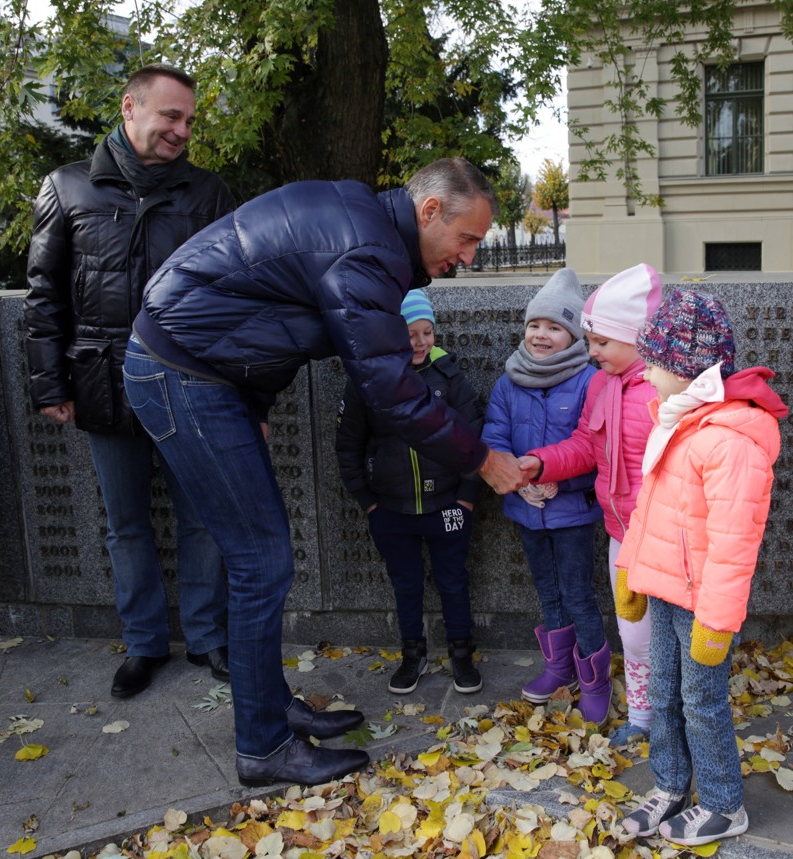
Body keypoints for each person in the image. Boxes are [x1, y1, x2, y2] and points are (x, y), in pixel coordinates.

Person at [122, 157, 525, 787]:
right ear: (429, 212)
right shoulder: (368, 251)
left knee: (265, 555)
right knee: (261, 560)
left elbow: (261, 312)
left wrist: (251, 405)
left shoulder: (361, 223)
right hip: (182, 376)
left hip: (200, 373)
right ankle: (262, 747)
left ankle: (270, 708)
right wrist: (481, 458)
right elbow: (392, 394)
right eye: (467, 238)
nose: (469, 256)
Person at [24, 63, 235, 700]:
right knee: (126, 524)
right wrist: (47, 384)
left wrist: (246, 392)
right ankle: (144, 644)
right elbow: (44, 294)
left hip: (190, 385)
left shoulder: (208, 194)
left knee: (201, 517)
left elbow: (236, 297)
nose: (181, 130)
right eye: (171, 116)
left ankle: (206, 638)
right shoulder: (66, 188)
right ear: (130, 108)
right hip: (101, 383)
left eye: (189, 121)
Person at [615, 288, 786, 847]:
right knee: (663, 693)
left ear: (688, 369)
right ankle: (671, 784)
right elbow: (652, 506)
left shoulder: (731, 440)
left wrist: (716, 621)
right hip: (665, 589)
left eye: (655, 363)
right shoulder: (679, 419)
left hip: (701, 603)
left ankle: (721, 802)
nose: (645, 374)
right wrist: (632, 573)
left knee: (701, 701)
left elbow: (736, 545)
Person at [517, 263, 662, 745]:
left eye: (600, 341)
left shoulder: (665, 388)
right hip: (621, 532)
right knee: (633, 632)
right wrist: (538, 462)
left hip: (664, 536)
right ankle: (641, 717)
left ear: (635, 337)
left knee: (671, 637)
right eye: (590, 339)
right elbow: (584, 444)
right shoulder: (602, 384)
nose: (591, 350)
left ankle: (671, 715)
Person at [335, 289, 484, 696]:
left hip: (448, 506)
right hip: (391, 510)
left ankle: (461, 652)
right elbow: (348, 445)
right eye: (408, 335)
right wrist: (369, 503)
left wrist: (467, 497)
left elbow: (474, 438)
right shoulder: (368, 381)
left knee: (453, 580)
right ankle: (412, 652)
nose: (419, 343)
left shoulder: (449, 377)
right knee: (406, 583)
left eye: (426, 333)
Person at [482, 268, 610, 723]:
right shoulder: (507, 382)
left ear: (574, 335)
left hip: (572, 511)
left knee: (578, 592)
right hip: (526, 508)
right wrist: (518, 481)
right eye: (535, 325)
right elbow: (494, 438)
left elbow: (596, 450)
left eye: (555, 326)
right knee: (547, 590)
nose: (541, 334)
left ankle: (595, 678)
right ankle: (559, 666)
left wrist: (562, 482)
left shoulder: (590, 382)